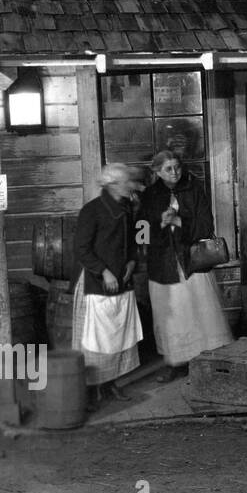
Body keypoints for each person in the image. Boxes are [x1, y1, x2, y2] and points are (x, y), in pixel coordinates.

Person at [138, 151, 234, 383]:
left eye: (177, 167)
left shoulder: (194, 189)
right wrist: (159, 223)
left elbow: (205, 225)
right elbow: (141, 231)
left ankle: (208, 360)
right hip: (164, 264)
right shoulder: (150, 195)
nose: (174, 173)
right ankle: (177, 362)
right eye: (168, 169)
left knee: (200, 311)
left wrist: (179, 221)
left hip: (192, 261)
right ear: (157, 172)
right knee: (172, 316)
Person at [72, 163, 145, 407]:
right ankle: (92, 389)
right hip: (98, 282)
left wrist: (132, 262)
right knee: (95, 340)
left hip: (123, 282)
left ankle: (109, 382)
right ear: (113, 185)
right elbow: (82, 249)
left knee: (116, 337)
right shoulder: (91, 211)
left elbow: (133, 241)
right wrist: (104, 272)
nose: (131, 186)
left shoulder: (127, 208)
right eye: (127, 182)